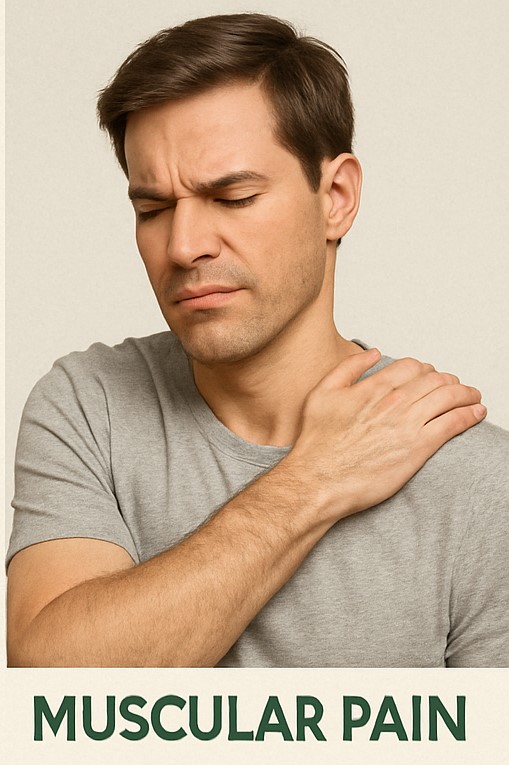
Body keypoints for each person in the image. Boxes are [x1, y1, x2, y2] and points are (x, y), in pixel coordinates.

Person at [6, 13, 508, 668]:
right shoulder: (89, 406)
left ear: (336, 197)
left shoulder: (473, 477)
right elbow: (52, 691)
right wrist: (312, 479)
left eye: (234, 197)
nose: (183, 246)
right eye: (153, 209)